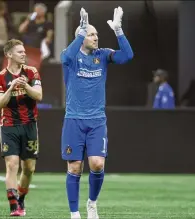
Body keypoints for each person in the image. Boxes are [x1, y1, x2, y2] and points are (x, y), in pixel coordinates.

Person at [60, 7, 133, 219]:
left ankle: (92, 203)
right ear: (81, 37)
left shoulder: (102, 55)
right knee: (74, 167)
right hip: (74, 119)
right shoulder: (71, 56)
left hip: (97, 120)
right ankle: (74, 213)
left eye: (96, 34)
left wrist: (119, 31)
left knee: (97, 163)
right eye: (91, 34)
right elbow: (64, 59)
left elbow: (127, 56)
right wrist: (81, 31)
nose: (96, 37)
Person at [0, 39, 42, 217]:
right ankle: (14, 207)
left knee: (28, 168)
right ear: (9, 55)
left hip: (29, 125)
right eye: (20, 52)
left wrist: (25, 85)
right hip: (9, 126)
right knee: (12, 165)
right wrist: (11, 88)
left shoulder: (31, 72)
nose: (24, 54)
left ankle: (21, 198)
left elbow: (39, 95)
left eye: (24, 51)